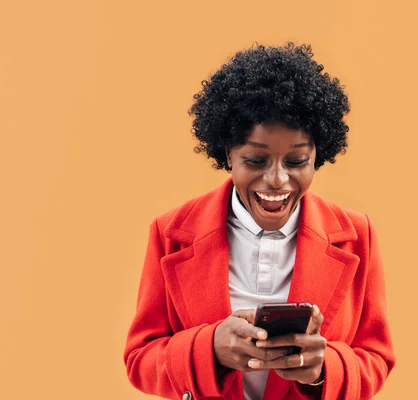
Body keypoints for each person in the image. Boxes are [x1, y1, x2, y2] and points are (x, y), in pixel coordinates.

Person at [123, 42, 395, 400]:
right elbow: (139, 359)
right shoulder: (170, 231)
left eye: (297, 162)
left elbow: (376, 358)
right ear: (228, 154)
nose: (278, 180)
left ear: (318, 157)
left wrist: (322, 371)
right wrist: (209, 351)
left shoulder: (358, 235)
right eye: (255, 160)